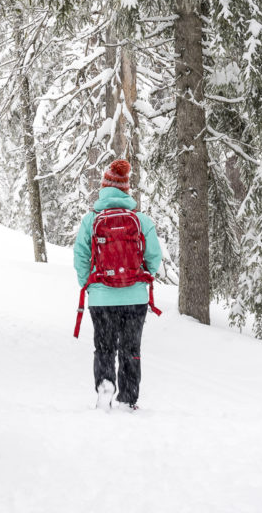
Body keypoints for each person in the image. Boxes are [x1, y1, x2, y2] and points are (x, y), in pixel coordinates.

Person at [73, 159, 162, 411]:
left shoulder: (91, 221)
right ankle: (128, 399)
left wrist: (89, 285)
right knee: (130, 349)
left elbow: (80, 256)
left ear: (103, 188)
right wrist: (141, 277)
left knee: (104, 347)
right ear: (126, 190)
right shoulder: (141, 220)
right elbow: (154, 257)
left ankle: (104, 384)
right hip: (135, 298)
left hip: (102, 298)